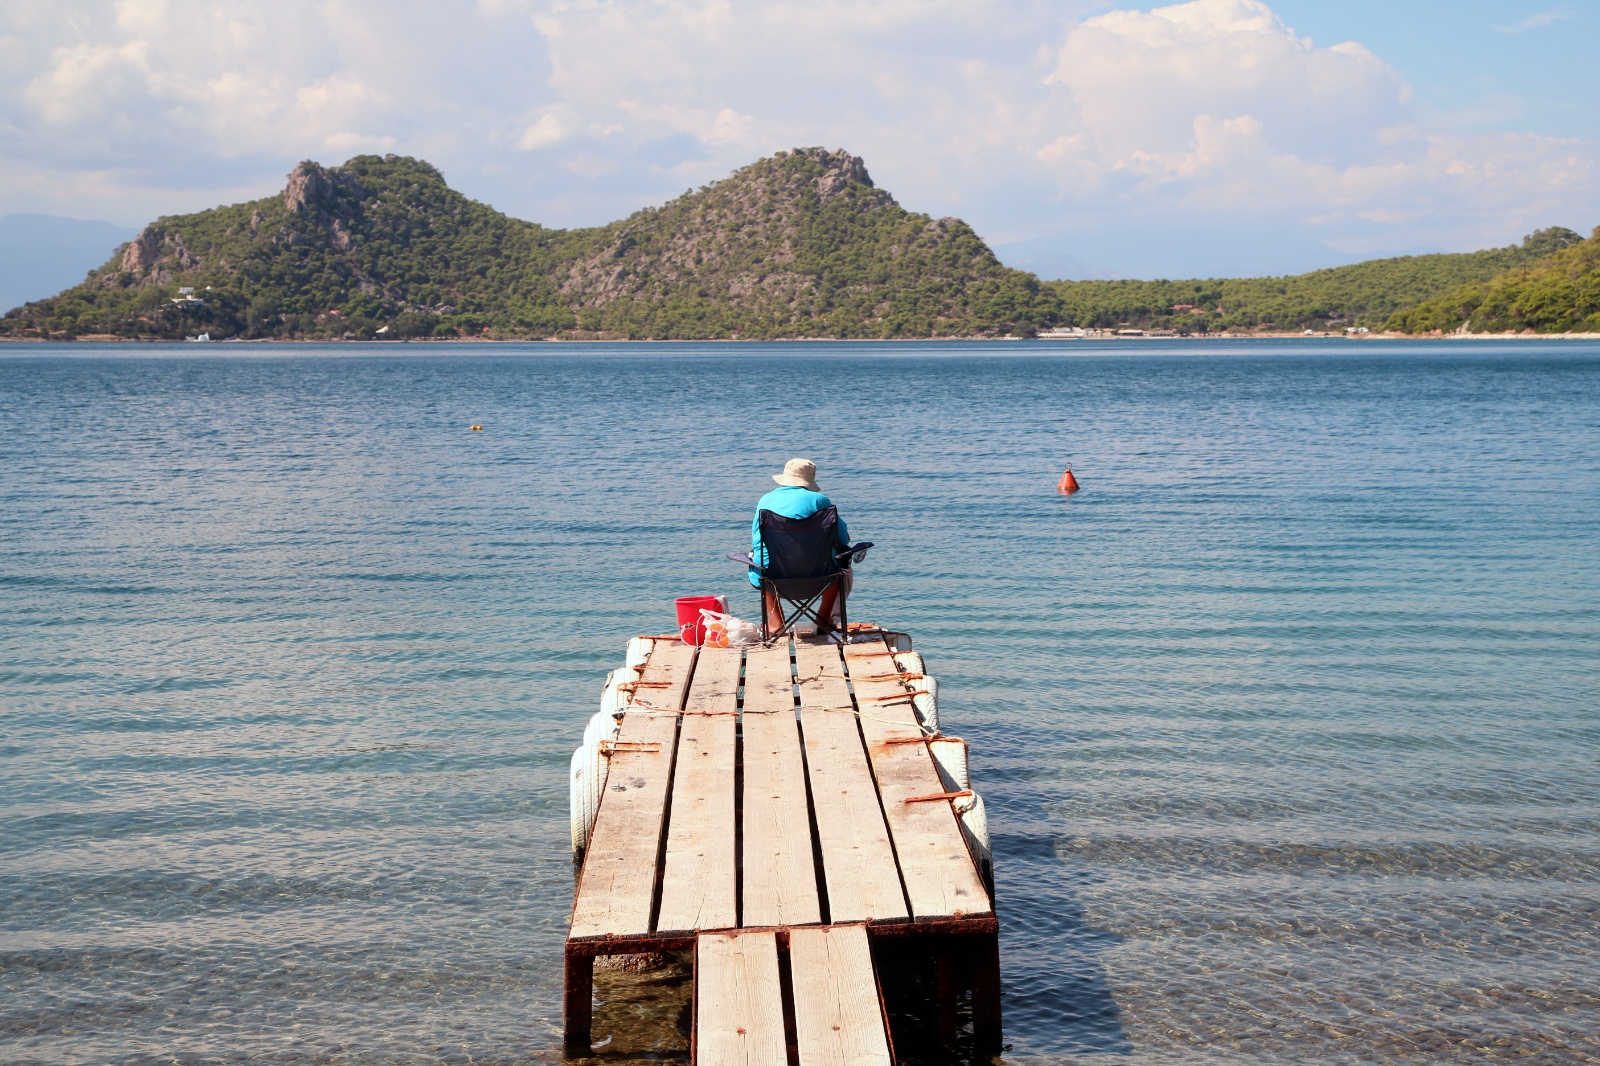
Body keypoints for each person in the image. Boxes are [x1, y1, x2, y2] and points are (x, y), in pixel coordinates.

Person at [750, 458, 851, 634]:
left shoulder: (766, 500)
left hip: (774, 578)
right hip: (821, 578)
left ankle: (776, 623)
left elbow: (757, 541)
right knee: (843, 563)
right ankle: (824, 619)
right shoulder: (820, 501)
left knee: (763, 560)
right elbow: (842, 539)